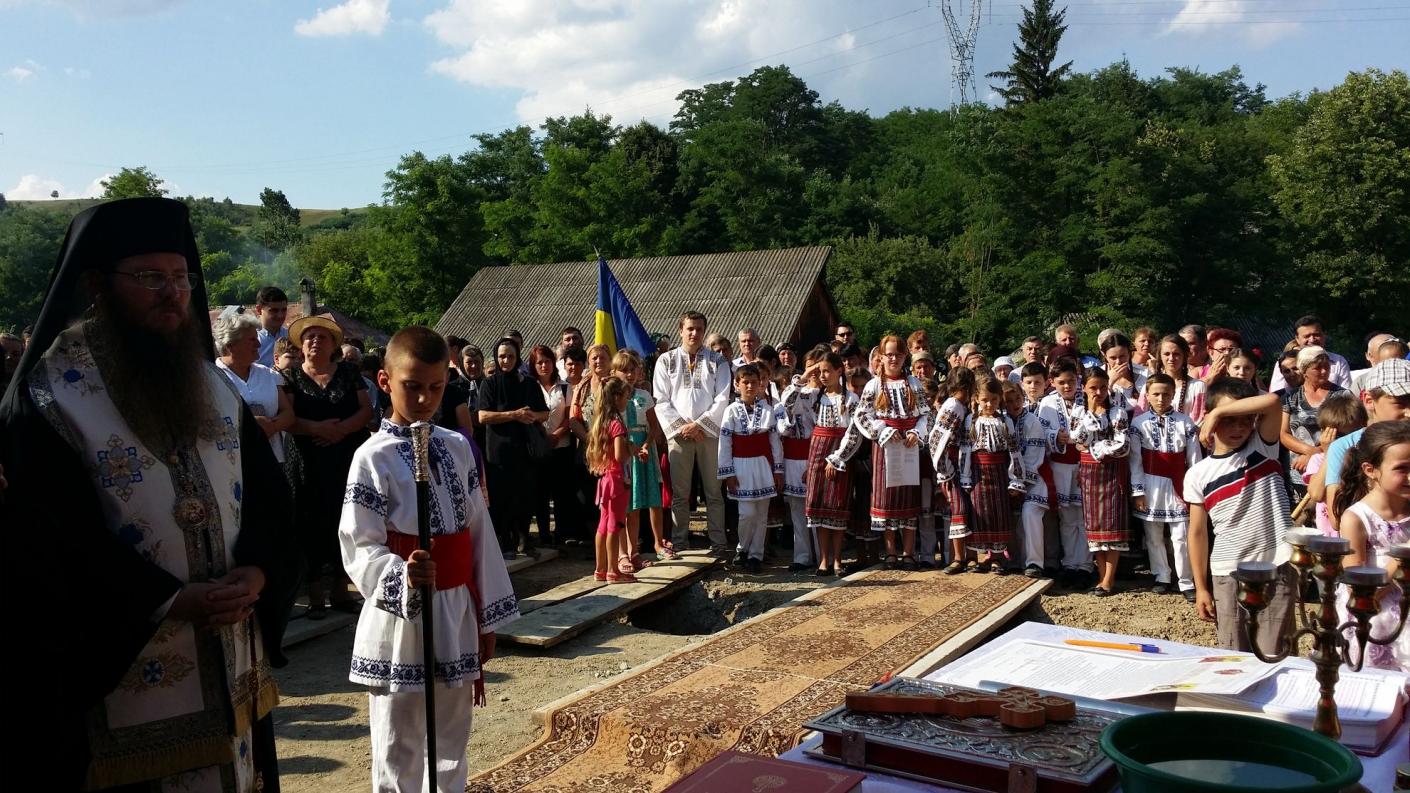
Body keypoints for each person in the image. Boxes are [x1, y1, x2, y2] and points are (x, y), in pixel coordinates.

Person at [0, 197, 297, 790]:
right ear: (97, 285)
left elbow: (269, 500)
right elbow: (46, 542)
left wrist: (260, 570)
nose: (173, 294)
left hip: (233, 663)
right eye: (151, 278)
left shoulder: (214, 385)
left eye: (182, 278)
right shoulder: (50, 399)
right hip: (120, 677)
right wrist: (166, 600)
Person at [339, 326, 519, 793]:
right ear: (385, 382)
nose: (424, 399)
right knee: (398, 739)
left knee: (451, 737)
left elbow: (479, 533)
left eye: (436, 387)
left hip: (456, 608)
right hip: (402, 618)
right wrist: (403, 575)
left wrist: (486, 616)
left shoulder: (458, 447)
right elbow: (358, 543)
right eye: (412, 386)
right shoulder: (371, 458)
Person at [1185, 378, 1296, 654]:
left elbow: (1273, 402)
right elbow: (1197, 533)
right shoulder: (1197, 474)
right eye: (1228, 420)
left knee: (1275, 653)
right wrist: (1201, 587)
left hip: (1276, 564)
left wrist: (1220, 412)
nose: (1238, 427)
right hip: (1228, 571)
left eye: (1245, 419)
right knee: (1234, 654)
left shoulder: (1262, 446)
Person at [286, 314, 374, 618]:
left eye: (322, 337)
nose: (315, 341)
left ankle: (341, 590)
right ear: (301, 345)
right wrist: (317, 428)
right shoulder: (289, 376)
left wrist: (342, 430)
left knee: (345, 519)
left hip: (346, 458)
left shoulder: (349, 372)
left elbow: (366, 410)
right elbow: (287, 418)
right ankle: (314, 596)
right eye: (309, 337)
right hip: (307, 461)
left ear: (333, 344)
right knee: (309, 522)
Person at [1332, 420, 1410, 671]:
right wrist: (1402, 558)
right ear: (1370, 470)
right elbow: (1360, 595)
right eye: (1402, 468)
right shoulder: (1356, 519)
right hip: (1377, 625)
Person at [654, 312, 731, 552]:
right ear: (681, 330)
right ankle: (679, 542)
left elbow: (722, 398)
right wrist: (683, 426)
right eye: (690, 328)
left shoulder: (718, 361)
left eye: (699, 329)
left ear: (704, 331)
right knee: (680, 494)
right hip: (679, 435)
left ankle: (718, 543)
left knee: (714, 492)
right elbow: (661, 400)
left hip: (708, 434)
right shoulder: (666, 360)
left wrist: (700, 425)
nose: (694, 333)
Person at [852, 335, 930, 569]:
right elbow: (861, 415)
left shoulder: (914, 384)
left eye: (898, 354)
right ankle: (891, 552)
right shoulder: (874, 385)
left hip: (909, 445)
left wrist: (917, 432)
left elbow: (927, 414)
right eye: (889, 355)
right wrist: (883, 430)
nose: (893, 359)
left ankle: (908, 552)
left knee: (908, 496)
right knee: (887, 499)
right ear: (881, 357)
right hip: (885, 446)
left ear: (905, 356)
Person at [1129, 372, 1202, 600]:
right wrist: (1138, 491)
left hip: (1178, 485)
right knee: (1153, 536)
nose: (1161, 399)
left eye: (1166, 394)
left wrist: (1194, 490)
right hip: (1150, 484)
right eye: (1156, 394)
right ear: (1148, 395)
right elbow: (1135, 461)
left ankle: (1186, 581)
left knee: (1181, 536)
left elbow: (1194, 459)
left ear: (1173, 395)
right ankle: (1161, 576)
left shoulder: (1185, 422)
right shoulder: (1139, 423)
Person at [478, 337, 549, 558]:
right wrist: (513, 415)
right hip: (499, 452)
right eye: (502, 356)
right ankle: (505, 543)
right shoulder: (489, 384)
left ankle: (524, 540)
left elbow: (544, 413)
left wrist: (530, 415)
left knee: (525, 496)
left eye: (510, 356)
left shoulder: (529, 384)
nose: (506, 361)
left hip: (525, 450)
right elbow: (483, 416)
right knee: (502, 499)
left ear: (517, 357)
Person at [1319, 359, 1410, 522]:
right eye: (1400, 403)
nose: (1408, 413)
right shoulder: (1344, 446)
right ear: (1368, 400)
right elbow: (1337, 518)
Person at [1070, 367, 1132, 596]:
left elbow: (1122, 445)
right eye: (1093, 388)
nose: (1098, 392)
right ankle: (1101, 576)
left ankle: (1108, 579)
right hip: (1088, 472)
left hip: (1111, 471)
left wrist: (1094, 447)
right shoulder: (1079, 412)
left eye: (1103, 387)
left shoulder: (1117, 412)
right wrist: (1091, 412)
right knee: (1094, 525)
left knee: (1112, 524)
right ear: (1084, 388)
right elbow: (1076, 438)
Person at [796, 352, 859, 575]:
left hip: (839, 452)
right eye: (820, 371)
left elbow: (854, 433)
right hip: (817, 452)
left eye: (827, 371)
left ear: (839, 371)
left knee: (837, 506)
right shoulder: (814, 396)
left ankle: (838, 560)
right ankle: (823, 560)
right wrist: (806, 375)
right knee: (818, 506)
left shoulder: (851, 399)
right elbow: (789, 402)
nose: (822, 375)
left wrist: (838, 458)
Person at [718, 364, 784, 572]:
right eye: (745, 382)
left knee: (762, 514)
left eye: (754, 382)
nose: (749, 386)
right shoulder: (730, 410)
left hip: (763, 465)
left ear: (760, 384)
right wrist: (728, 472)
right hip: (741, 466)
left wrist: (778, 470)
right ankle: (743, 548)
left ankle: (756, 555)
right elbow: (725, 443)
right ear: (737, 384)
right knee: (746, 513)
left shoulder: (768, 410)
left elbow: (775, 442)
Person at [958, 376, 1026, 573]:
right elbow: (965, 449)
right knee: (977, 513)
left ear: (999, 399)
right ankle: (973, 557)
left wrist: (1015, 479)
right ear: (976, 399)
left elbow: (1014, 451)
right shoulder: (971, 420)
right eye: (985, 400)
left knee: (998, 513)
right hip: (978, 473)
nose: (989, 404)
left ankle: (996, 557)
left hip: (998, 473)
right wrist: (965, 476)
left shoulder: (1005, 421)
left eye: (994, 399)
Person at [1038, 357, 1093, 587]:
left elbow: (1094, 427)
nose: (1067, 386)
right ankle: (1070, 564)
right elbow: (1042, 431)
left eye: (1071, 381)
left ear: (1078, 379)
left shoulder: (1087, 398)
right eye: (1062, 382)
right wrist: (1055, 436)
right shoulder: (1047, 403)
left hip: (1084, 462)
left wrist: (1076, 441)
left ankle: (1086, 565)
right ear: (1052, 382)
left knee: (1084, 516)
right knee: (1067, 517)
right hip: (1060, 465)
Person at [613, 349, 671, 562]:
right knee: (631, 504)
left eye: (633, 370)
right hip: (625, 451)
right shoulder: (613, 397)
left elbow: (654, 426)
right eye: (624, 370)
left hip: (645, 451)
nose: (629, 374)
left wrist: (646, 445)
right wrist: (630, 448)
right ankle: (630, 551)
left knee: (654, 499)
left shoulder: (644, 396)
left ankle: (658, 544)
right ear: (615, 372)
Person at [215, 312, 294, 464]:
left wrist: (270, 427)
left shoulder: (268, 375)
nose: (258, 344)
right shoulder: (213, 378)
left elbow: (288, 414)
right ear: (230, 345)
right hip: (233, 464)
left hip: (271, 461)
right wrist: (249, 427)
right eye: (252, 340)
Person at [587, 377, 637, 582]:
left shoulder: (600, 422)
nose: (627, 400)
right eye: (625, 396)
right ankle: (613, 571)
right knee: (615, 525)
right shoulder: (617, 424)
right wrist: (630, 449)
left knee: (603, 524)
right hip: (617, 480)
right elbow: (619, 455)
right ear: (616, 398)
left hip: (605, 479)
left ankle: (600, 569)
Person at [1279, 346, 1347, 496]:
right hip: (1298, 470)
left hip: (1331, 467)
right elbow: (1284, 434)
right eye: (1317, 368)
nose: (1324, 371)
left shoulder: (1342, 396)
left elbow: (1347, 433)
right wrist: (1310, 451)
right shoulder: (1290, 398)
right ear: (1304, 371)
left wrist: (1315, 455)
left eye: (1327, 367)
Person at [930, 367, 976, 574]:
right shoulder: (953, 406)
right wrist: (944, 471)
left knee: (969, 509)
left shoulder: (961, 406)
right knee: (958, 509)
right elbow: (937, 440)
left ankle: (971, 555)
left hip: (963, 463)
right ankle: (958, 557)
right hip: (951, 465)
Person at [1303, 393, 1367, 535]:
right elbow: (1316, 494)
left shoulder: (1366, 460)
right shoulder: (1318, 459)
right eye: (1339, 436)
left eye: (1353, 435)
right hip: (1329, 535)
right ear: (1324, 433)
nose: (1346, 442)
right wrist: (1330, 453)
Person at [1016, 362, 1056, 579]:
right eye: (1029, 382)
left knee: (1036, 514)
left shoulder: (1051, 406)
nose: (1033, 386)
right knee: (1022, 516)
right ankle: (1020, 559)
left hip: (1044, 470)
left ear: (1046, 383)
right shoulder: (1014, 406)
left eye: (1037, 382)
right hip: (1016, 472)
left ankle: (1041, 562)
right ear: (1022, 384)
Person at [531, 344, 572, 548]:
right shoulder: (529, 387)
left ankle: (561, 535)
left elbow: (570, 417)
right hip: (537, 449)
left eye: (547, 361)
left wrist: (556, 435)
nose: (543, 366)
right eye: (539, 362)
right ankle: (544, 535)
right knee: (540, 494)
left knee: (561, 494)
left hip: (561, 447)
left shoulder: (564, 387)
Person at [1268, 315, 1352, 392]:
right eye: (1306, 336)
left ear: (1324, 335)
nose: (1312, 340)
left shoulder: (1339, 361)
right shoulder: (1285, 363)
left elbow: (1345, 394)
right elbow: (1277, 393)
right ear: (1297, 339)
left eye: (1316, 335)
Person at [1140, 334, 1206, 424]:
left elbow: (1199, 421)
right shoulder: (1150, 385)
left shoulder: (1198, 387)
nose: (1171, 358)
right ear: (1160, 356)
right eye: (1167, 354)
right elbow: (1140, 417)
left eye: (1176, 354)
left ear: (1184, 356)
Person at [253, 285, 289, 367]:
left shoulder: (291, 337)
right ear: (259, 310)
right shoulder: (251, 340)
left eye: (284, 310)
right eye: (274, 311)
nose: (280, 315)